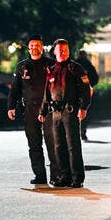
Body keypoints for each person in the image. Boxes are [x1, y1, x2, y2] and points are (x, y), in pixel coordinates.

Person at [38, 39, 91, 188]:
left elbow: (85, 90)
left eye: (65, 50)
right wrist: (42, 111)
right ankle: (64, 176)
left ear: (68, 51)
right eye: (60, 50)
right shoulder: (52, 70)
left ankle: (77, 178)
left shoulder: (76, 69)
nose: (62, 52)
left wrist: (83, 108)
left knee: (73, 146)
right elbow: (46, 93)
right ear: (54, 51)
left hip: (70, 112)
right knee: (58, 146)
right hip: (55, 113)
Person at [7, 35, 58, 185]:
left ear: (42, 47)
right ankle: (40, 175)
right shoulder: (22, 66)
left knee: (52, 144)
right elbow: (15, 88)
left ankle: (56, 175)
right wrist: (11, 106)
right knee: (34, 145)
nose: (34, 48)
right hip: (29, 110)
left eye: (37, 45)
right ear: (28, 48)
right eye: (32, 45)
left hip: (49, 110)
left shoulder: (51, 64)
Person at [75, 49, 99, 141]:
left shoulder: (74, 64)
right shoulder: (89, 65)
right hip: (86, 92)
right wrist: (89, 85)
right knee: (84, 111)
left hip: (75, 92)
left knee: (74, 113)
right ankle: (83, 132)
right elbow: (95, 78)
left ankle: (78, 132)